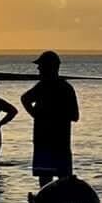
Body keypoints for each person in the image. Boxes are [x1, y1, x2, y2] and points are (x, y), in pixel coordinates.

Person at [21, 50, 79, 184]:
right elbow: (75, 116)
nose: (38, 68)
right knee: (61, 179)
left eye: (41, 65)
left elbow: (25, 99)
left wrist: (38, 115)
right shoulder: (65, 87)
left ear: (50, 67)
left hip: (50, 141)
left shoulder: (45, 86)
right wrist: (36, 115)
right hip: (57, 142)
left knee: (47, 180)